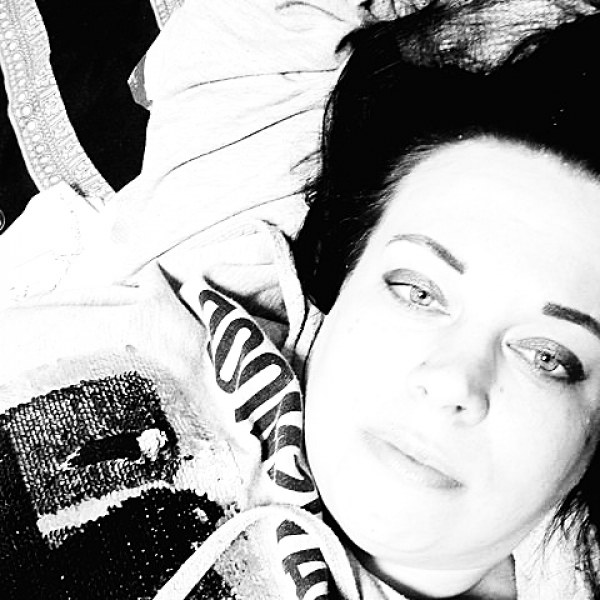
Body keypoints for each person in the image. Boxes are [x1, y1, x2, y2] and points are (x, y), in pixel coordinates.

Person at [1, 2, 600, 600]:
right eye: (418, 292)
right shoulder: (215, 267)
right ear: (346, 282)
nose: (452, 381)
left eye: (547, 357)